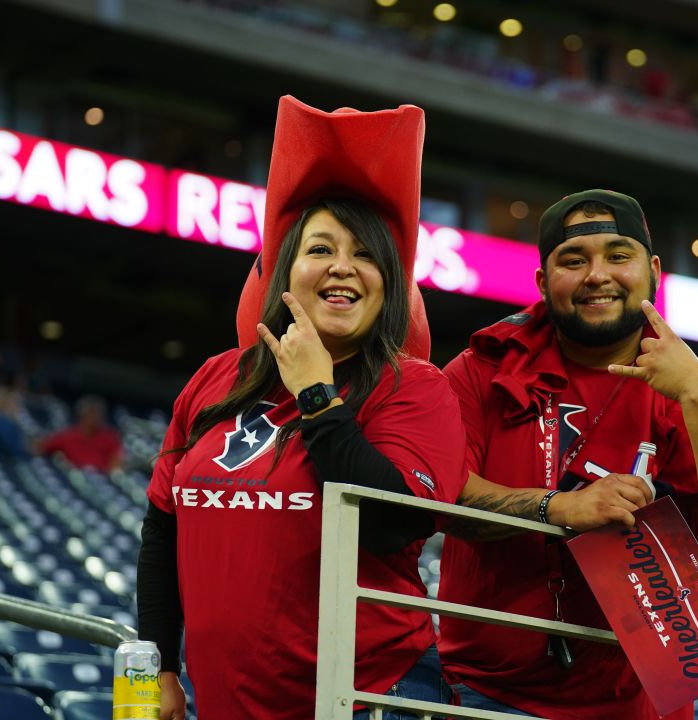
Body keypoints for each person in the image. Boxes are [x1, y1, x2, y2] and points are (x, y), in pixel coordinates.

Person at [137, 97, 465, 720]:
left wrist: (318, 395)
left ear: (390, 284)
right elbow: (163, 531)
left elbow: (395, 523)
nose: (343, 266)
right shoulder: (215, 380)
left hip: (372, 699)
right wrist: (161, 667)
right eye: (321, 249)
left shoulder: (414, 387)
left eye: (366, 254)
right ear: (286, 271)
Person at [437, 189, 698, 720]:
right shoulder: (480, 369)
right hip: (485, 694)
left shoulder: (693, 394)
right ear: (542, 282)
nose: (598, 275)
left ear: (654, 271)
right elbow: (444, 493)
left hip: (637, 708)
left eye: (619, 255)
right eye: (573, 261)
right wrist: (559, 508)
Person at [36, 395, 125, 472]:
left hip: (100, 479)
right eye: (91, 413)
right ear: (82, 415)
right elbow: (41, 448)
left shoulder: (108, 437)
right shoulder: (68, 435)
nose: (95, 418)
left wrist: (112, 472)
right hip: (73, 477)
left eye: (98, 414)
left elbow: (117, 460)